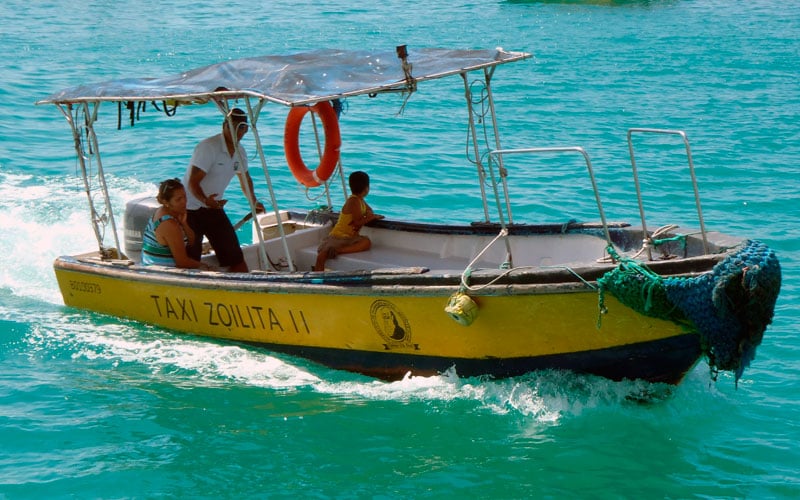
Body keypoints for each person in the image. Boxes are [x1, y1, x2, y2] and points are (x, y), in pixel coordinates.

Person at [183, 107, 263, 272]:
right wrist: (206, 200)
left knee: (235, 257)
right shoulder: (208, 148)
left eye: (241, 127)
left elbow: (245, 179)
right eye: (233, 126)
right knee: (191, 259)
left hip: (214, 207)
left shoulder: (240, 152)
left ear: (246, 129)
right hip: (191, 209)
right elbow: (193, 182)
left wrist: (253, 202)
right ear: (224, 126)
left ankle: (243, 291)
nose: (237, 131)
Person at [314, 171, 384, 271]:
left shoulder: (360, 200)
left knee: (366, 242)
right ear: (366, 188)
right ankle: (317, 277)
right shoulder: (353, 201)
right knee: (322, 255)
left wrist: (369, 213)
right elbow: (357, 222)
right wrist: (371, 217)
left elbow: (369, 210)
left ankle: (338, 250)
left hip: (351, 237)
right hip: (338, 236)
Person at [141, 178, 209, 269]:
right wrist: (207, 267)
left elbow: (192, 241)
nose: (184, 201)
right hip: (161, 272)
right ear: (166, 202)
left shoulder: (169, 212)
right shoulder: (168, 224)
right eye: (178, 199)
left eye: (184, 197)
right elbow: (182, 262)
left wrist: (184, 224)